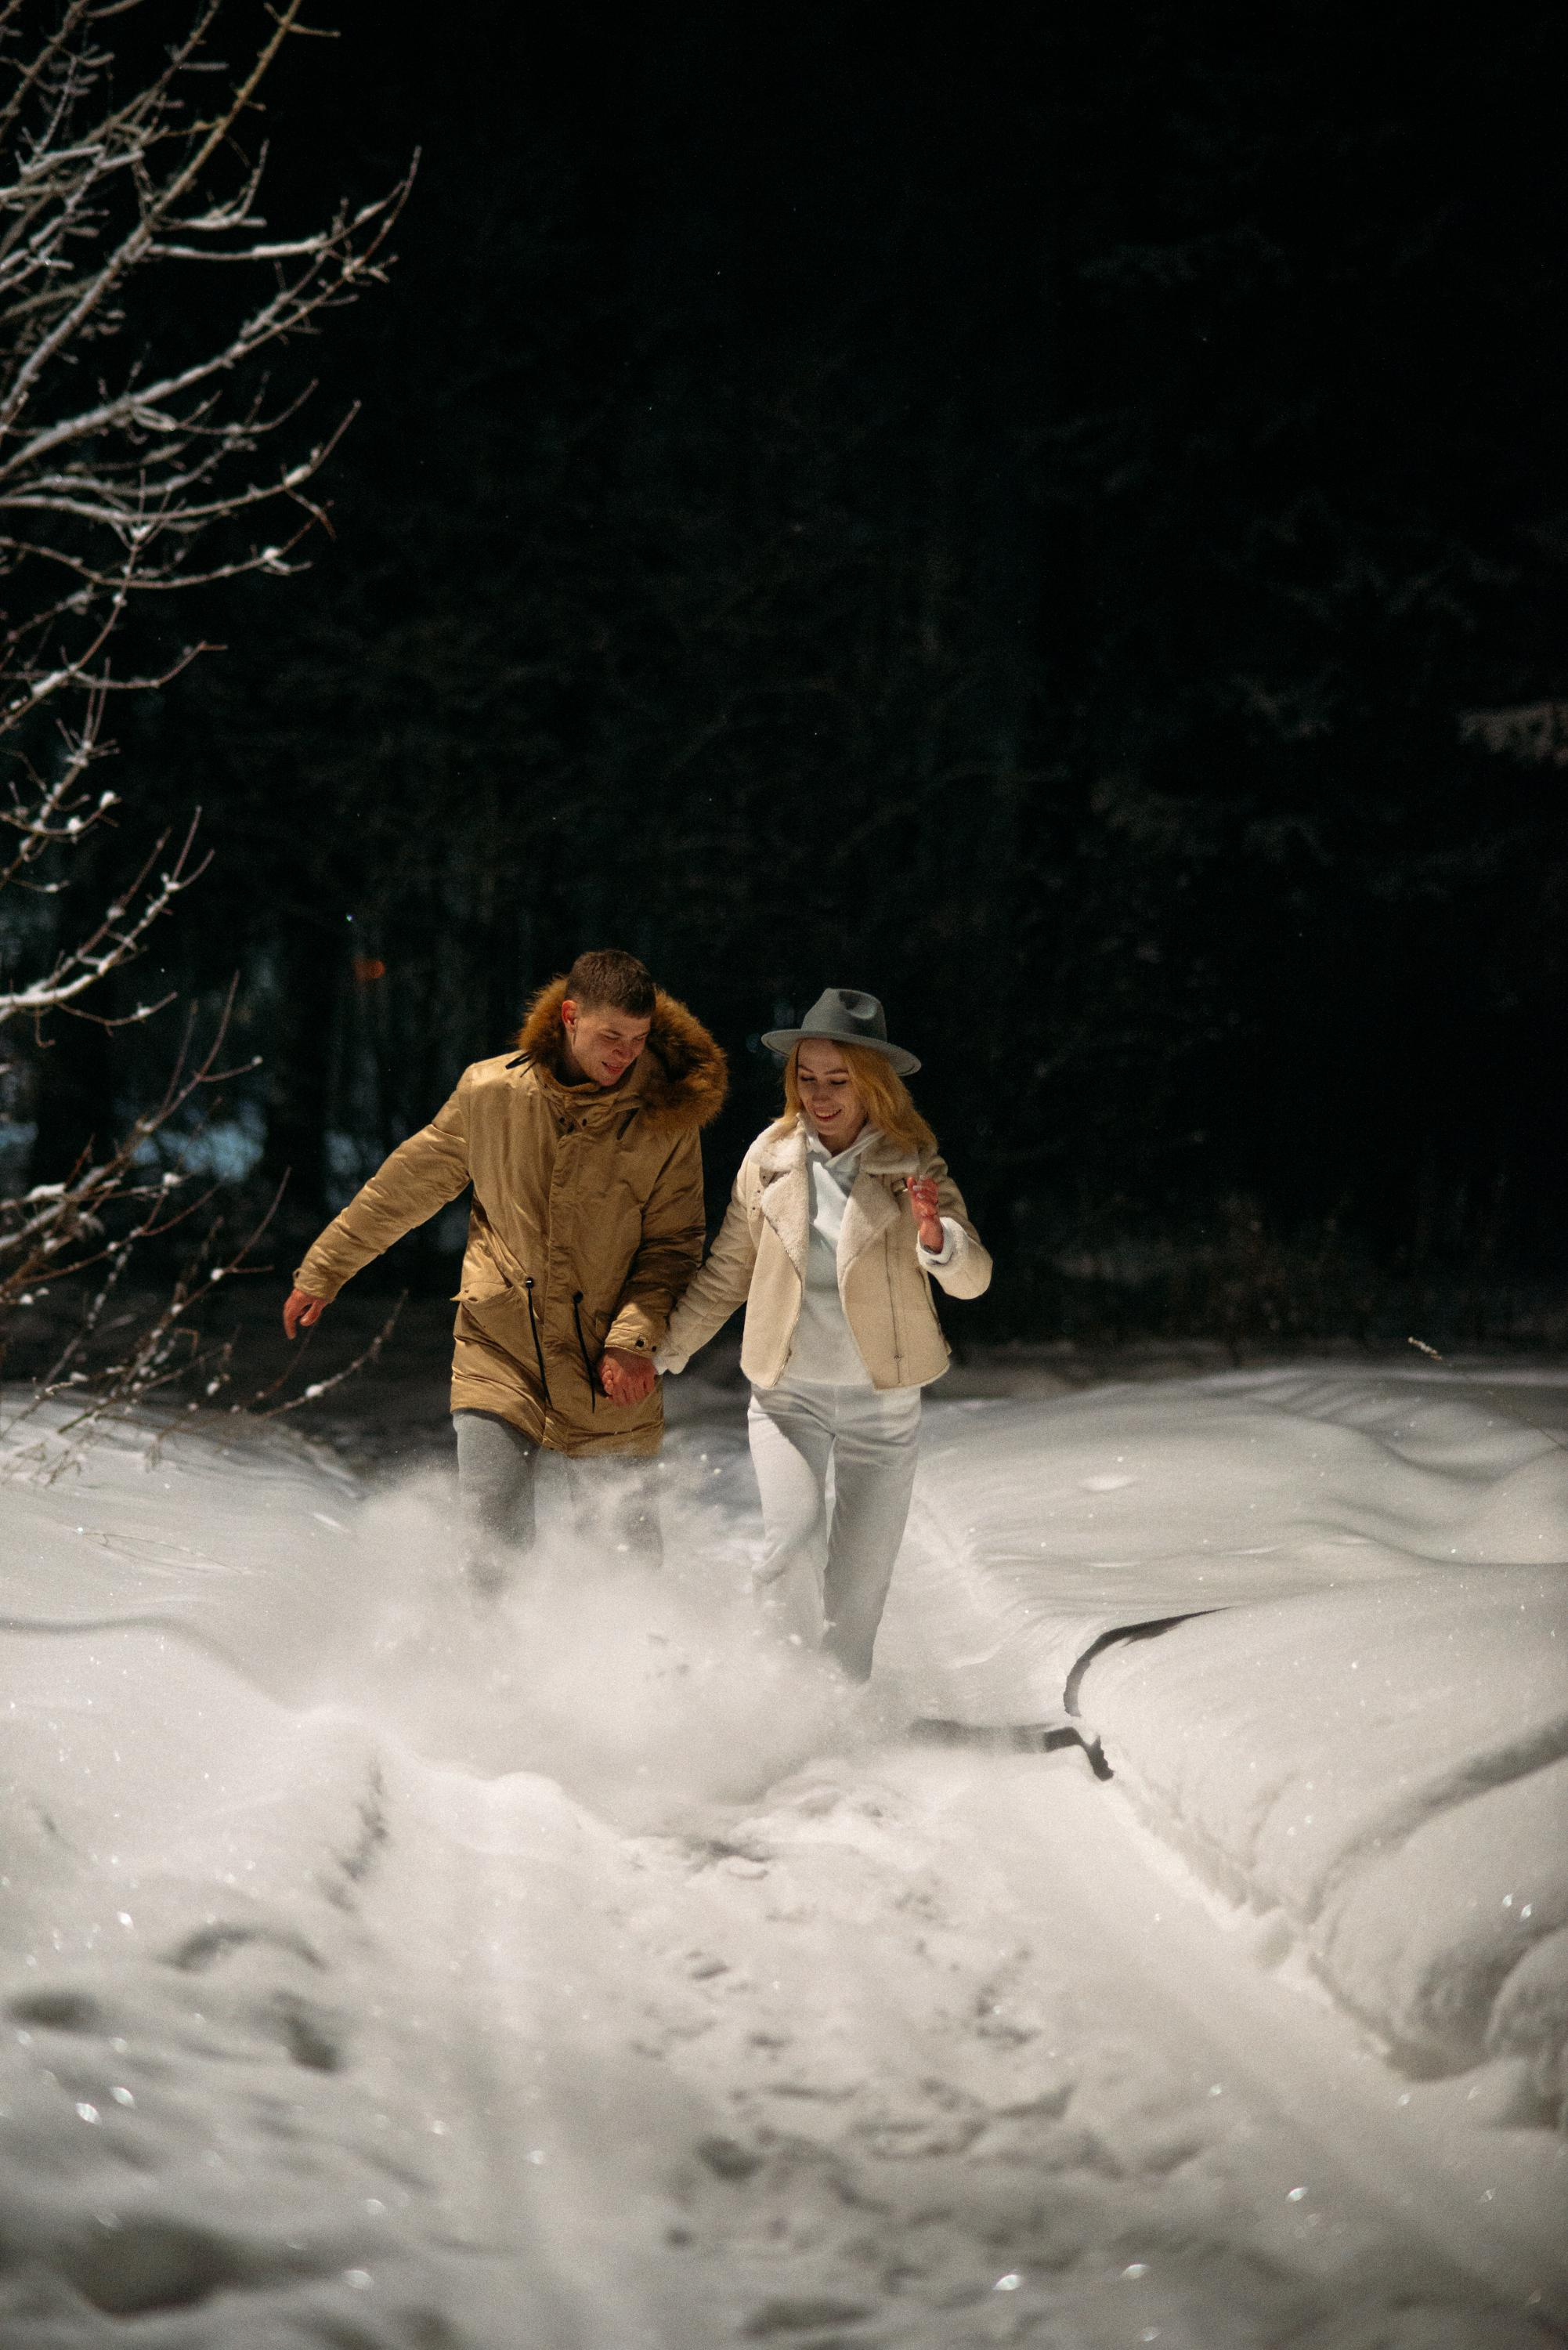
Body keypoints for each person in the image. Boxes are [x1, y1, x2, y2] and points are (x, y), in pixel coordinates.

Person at [283, 949, 727, 1589]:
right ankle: (493, 1679)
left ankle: (625, 1681)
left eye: (638, 1039)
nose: (625, 1054)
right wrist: (323, 1270)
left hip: (609, 1355)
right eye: (611, 1037)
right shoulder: (490, 1093)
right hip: (500, 1344)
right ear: (571, 1016)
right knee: (493, 1541)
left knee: (626, 1558)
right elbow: (404, 1187)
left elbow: (673, 1247)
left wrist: (634, 1340)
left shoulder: (664, 1118)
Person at [655, 987, 991, 1681]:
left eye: (838, 1080)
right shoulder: (770, 1158)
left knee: (859, 1588)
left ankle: (842, 1719)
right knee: (791, 1547)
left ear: (873, 1082)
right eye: (806, 1078)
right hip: (789, 1398)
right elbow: (727, 1272)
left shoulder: (913, 1163)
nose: (820, 1094)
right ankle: (780, 1705)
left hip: (882, 1406)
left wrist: (936, 1236)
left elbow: (973, 1279)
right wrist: (661, 1353)